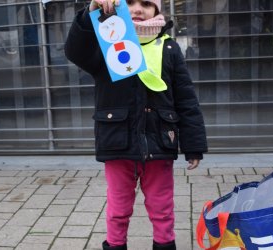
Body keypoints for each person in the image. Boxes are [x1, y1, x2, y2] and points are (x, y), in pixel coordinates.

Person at [64, 0, 208, 249]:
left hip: (160, 144)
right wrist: (92, 12)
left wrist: (193, 145)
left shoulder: (169, 48)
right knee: (118, 210)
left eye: (146, 3)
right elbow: (75, 50)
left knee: (162, 209)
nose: (137, 9)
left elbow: (186, 100)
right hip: (118, 143)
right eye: (129, 2)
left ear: (157, 11)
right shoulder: (106, 44)